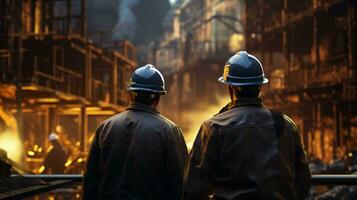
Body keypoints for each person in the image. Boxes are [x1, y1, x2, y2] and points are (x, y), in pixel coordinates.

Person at [183, 51, 311, 200]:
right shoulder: (285, 124)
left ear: (230, 88)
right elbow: (302, 181)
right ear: (260, 87)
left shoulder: (213, 127)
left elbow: (194, 187)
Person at [83, 64, 188, 200]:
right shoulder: (169, 131)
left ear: (130, 95)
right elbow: (180, 184)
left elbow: (90, 182)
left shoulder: (105, 128)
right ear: (157, 98)